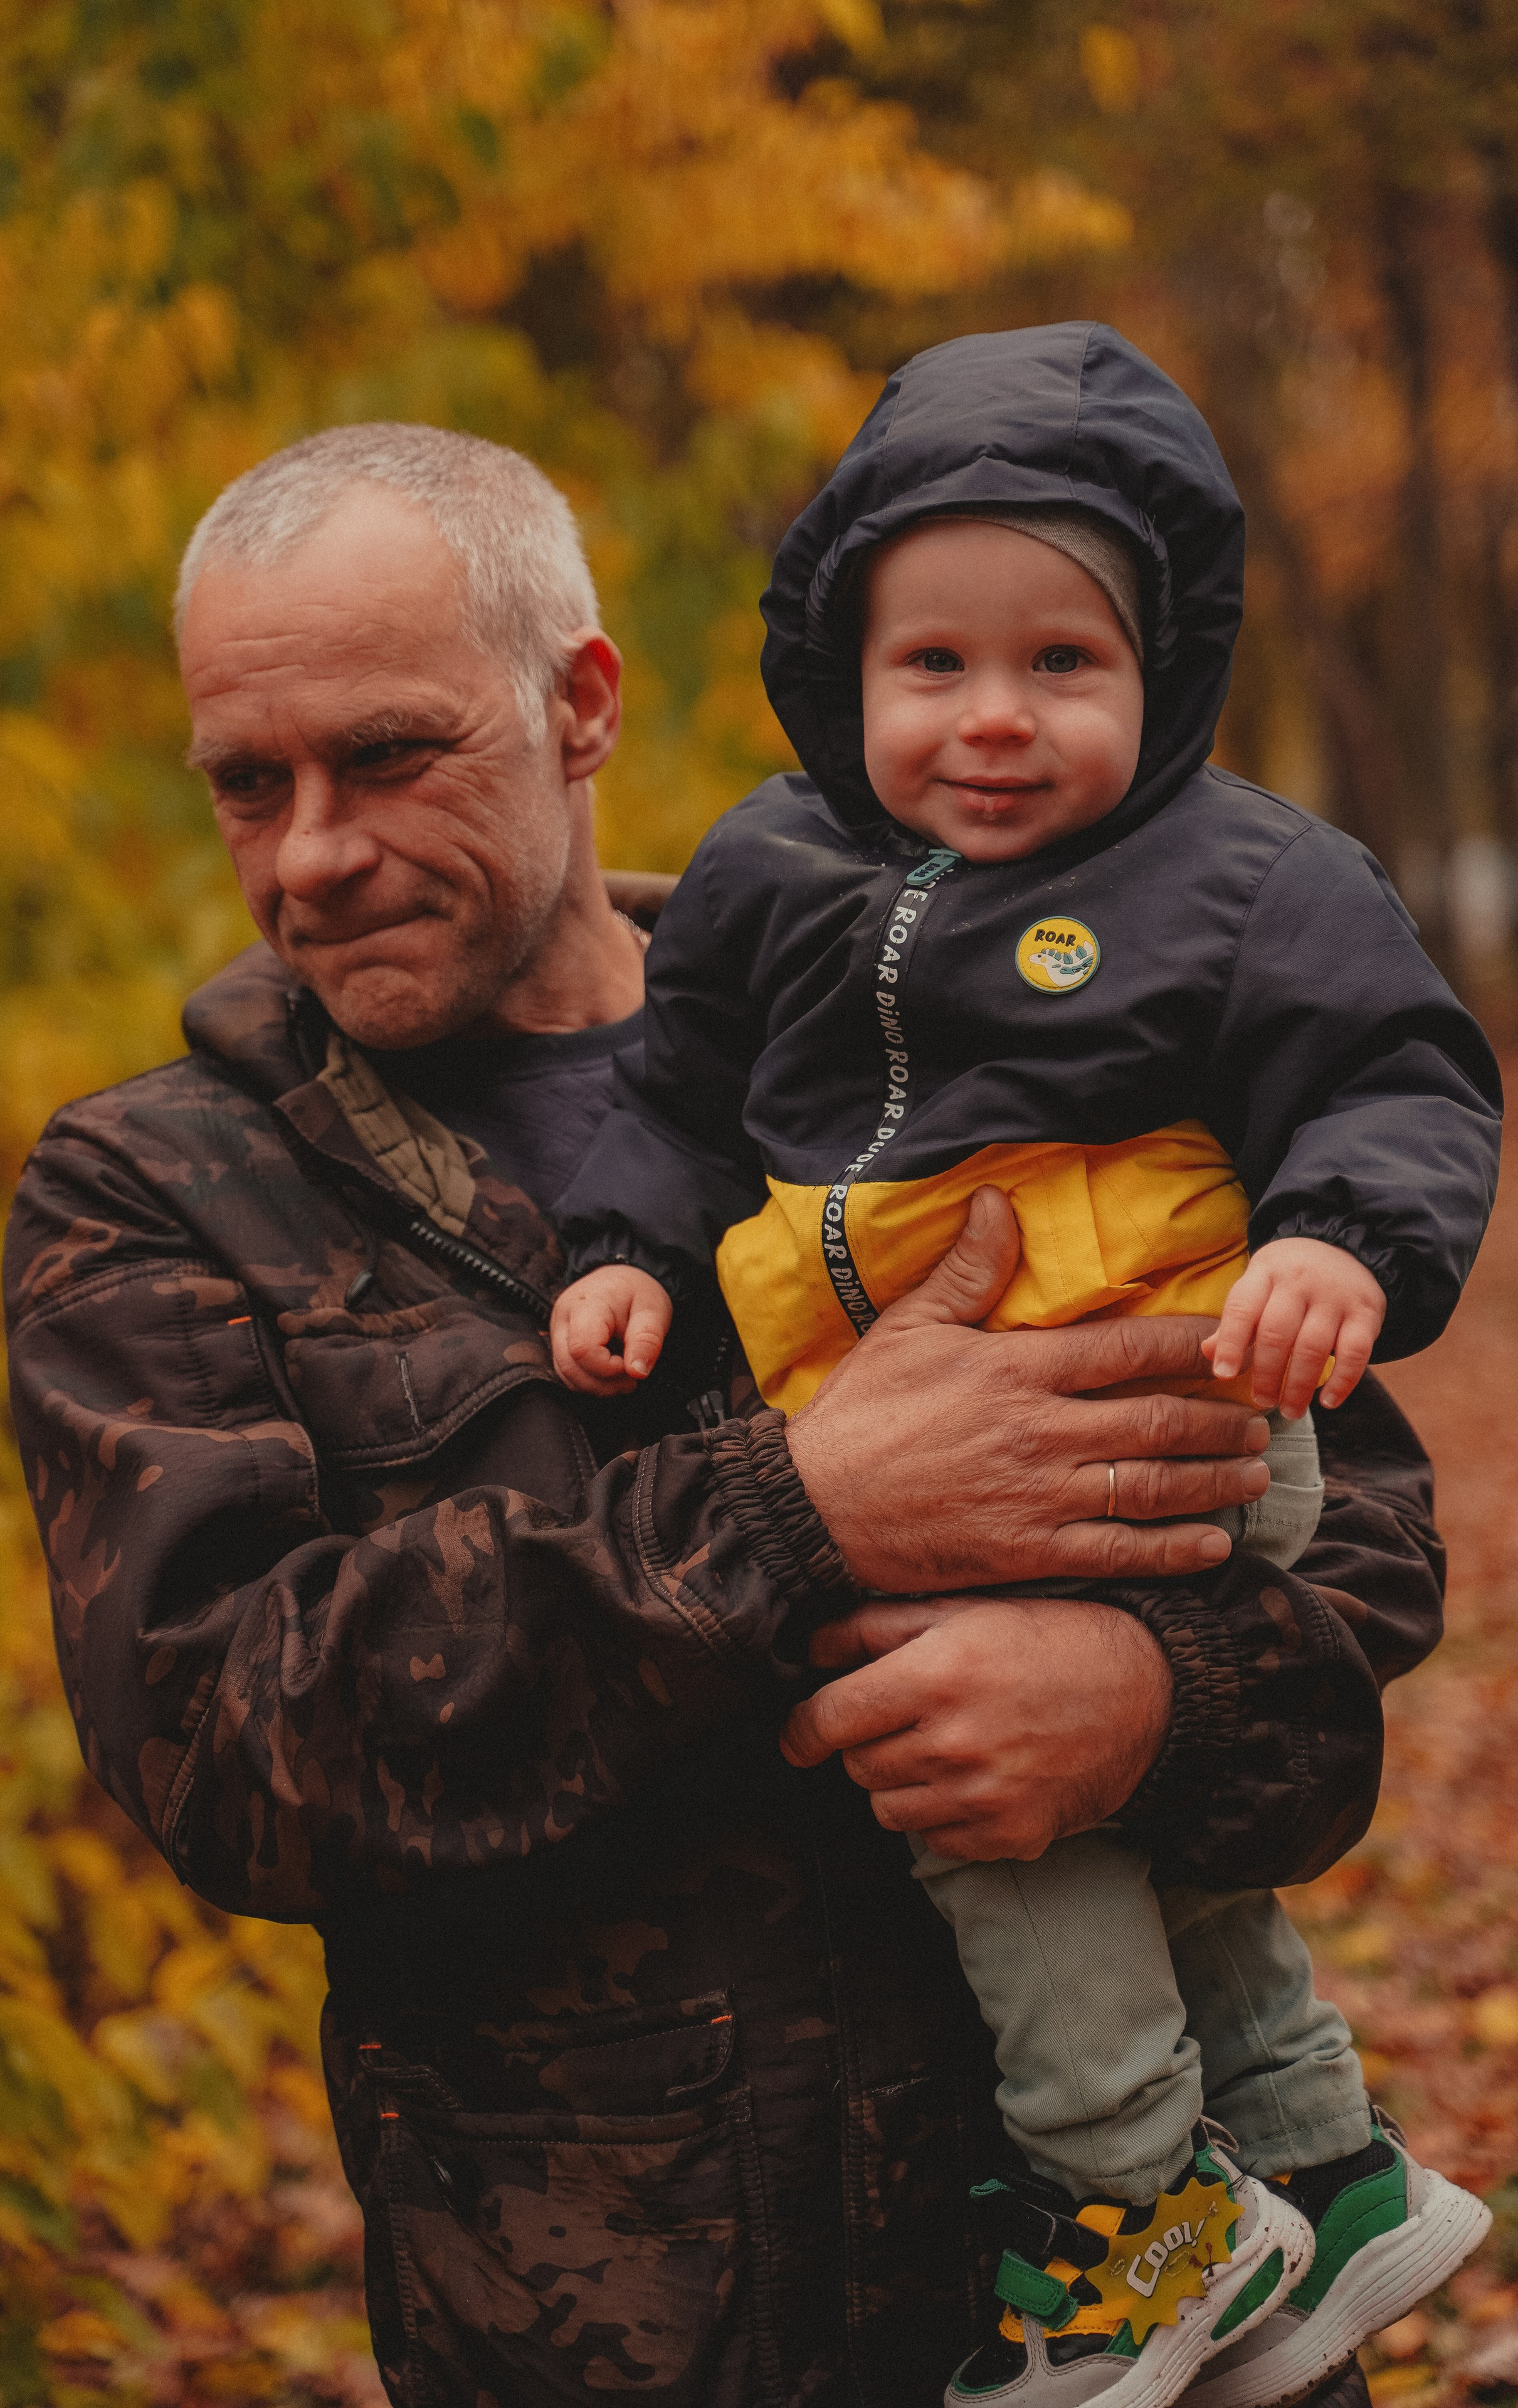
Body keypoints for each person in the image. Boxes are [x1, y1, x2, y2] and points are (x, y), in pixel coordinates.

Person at [2, 418, 1448, 2408]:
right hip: (637, 2346)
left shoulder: (981, 990)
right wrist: (795, 1512)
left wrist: (1145, 1699)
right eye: (251, 783)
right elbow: (236, 1742)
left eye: (391, 753)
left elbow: (1358, 1546)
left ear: (577, 705)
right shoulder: (161, 1191)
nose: (314, 850)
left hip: (1184, 2342)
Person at [549, 327, 1501, 2408]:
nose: (997, 722)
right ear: (841, 673)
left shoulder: (1245, 880)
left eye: (1062, 665)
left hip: (1147, 1404)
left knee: (990, 1799)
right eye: (936, 669)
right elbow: (678, 1098)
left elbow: (1398, 1076)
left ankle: (1129, 2211)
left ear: (1157, 669)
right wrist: (625, 1253)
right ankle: (1322, 2162)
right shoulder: (767, 873)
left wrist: (1344, 1240)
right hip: (898, 1407)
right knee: (1115, 1815)